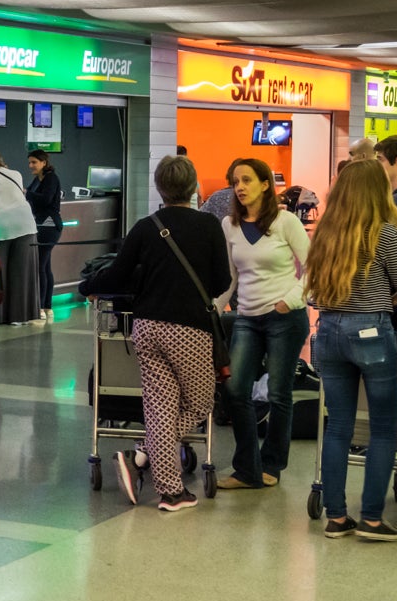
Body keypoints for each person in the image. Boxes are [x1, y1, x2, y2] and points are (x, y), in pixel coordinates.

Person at [81, 156, 230, 512]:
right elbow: (222, 282)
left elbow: (117, 274)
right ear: (193, 187)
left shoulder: (146, 227)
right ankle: (142, 456)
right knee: (200, 403)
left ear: (159, 188)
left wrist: (88, 285)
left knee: (160, 406)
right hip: (189, 330)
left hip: (146, 329)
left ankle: (170, 491)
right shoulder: (208, 225)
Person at [305, 159, 397, 541]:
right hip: (371, 334)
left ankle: (336, 517)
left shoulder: (326, 233)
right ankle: (373, 519)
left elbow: (314, 289)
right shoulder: (387, 233)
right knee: (382, 429)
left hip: (329, 331)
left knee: (338, 428)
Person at [217, 157, 311, 490]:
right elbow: (230, 276)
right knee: (236, 389)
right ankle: (247, 468)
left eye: (246, 180)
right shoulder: (230, 225)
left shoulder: (286, 222)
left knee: (277, 393)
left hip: (285, 318)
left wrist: (292, 300)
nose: (239, 187)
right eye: (235, 182)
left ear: (265, 184)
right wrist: (214, 307)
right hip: (247, 318)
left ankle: (272, 464)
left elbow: (313, 266)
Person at [0, 149, 39, 324]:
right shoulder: (15, 174)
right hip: (26, 224)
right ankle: (20, 317)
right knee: (21, 273)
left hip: (1, 227)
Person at [25, 150, 63, 318]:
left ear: (43, 163)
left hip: (49, 225)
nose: (31, 166)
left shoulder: (51, 178)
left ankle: (39, 307)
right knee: (45, 266)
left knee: (40, 265)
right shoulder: (37, 180)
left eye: (34, 162)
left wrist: (27, 193)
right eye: (30, 162)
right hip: (41, 224)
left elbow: (46, 199)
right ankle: (47, 306)